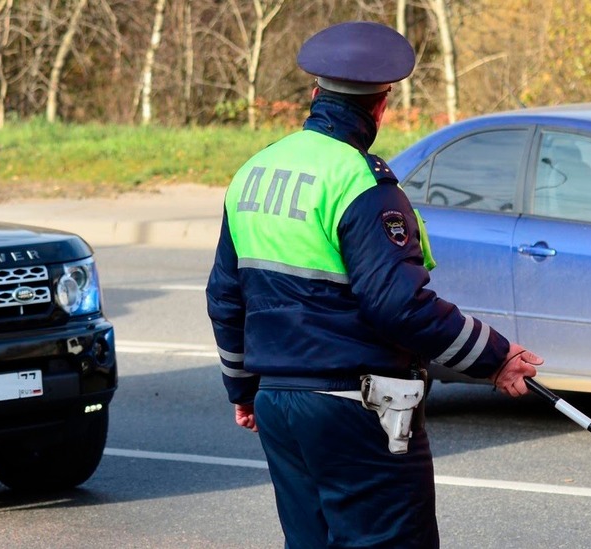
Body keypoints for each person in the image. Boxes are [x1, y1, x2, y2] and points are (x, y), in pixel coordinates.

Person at [205, 21, 542, 548]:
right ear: (381, 106)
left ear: (315, 95)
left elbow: (225, 296)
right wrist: (495, 357)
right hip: (356, 408)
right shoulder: (362, 182)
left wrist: (243, 388)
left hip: (280, 404)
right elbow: (398, 305)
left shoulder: (253, 171)